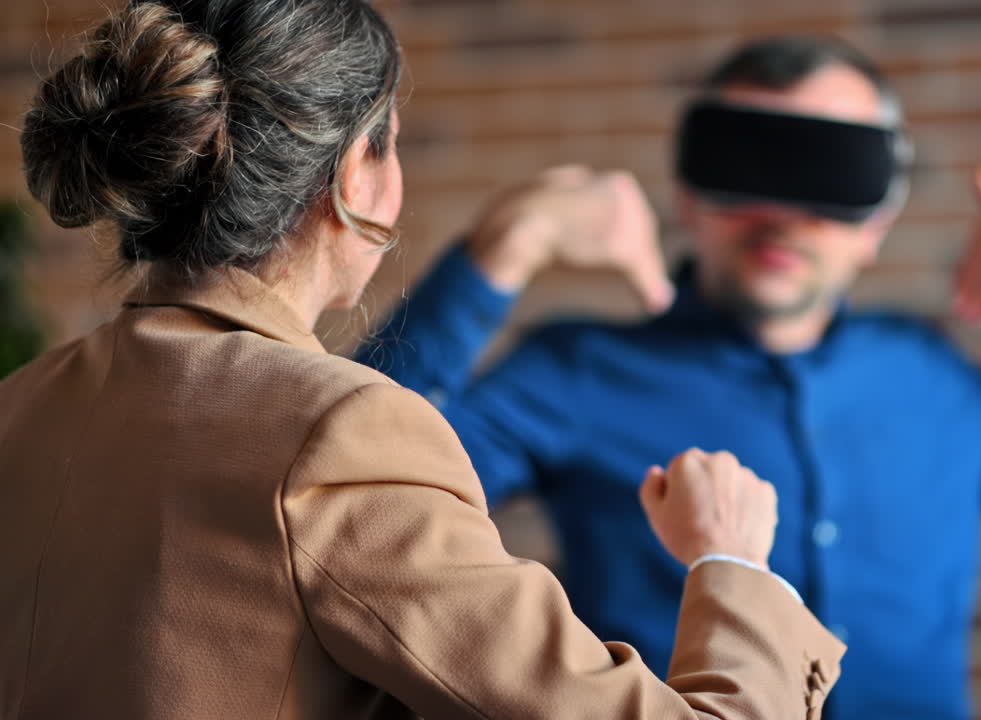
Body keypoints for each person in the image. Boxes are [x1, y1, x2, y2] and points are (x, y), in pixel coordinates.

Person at [0, 4, 847, 719]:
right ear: (351, 180)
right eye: (390, 144)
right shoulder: (340, 431)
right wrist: (731, 564)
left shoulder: (21, 403)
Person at [359, 35, 981, 719]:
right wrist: (499, 253)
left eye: (822, 180)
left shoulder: (933, 382)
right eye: (748, 172)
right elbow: (354, 494)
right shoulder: (574, 370)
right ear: (690, 197)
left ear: (877, 223)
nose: (780, 216)